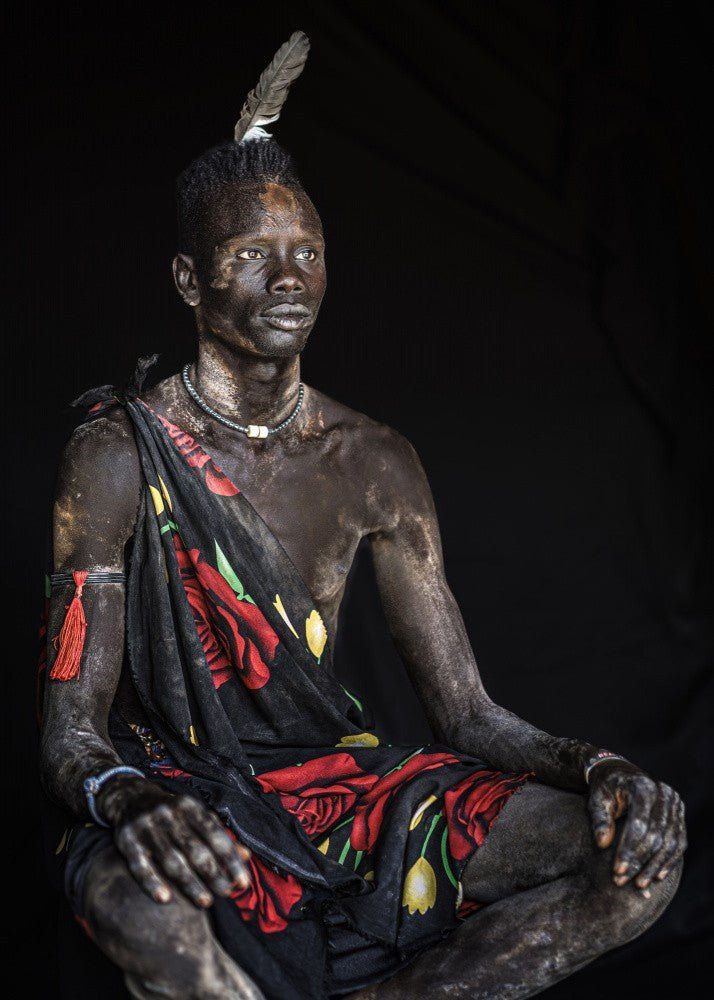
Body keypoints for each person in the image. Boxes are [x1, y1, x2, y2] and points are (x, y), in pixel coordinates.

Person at [38, 31, 686, 1000]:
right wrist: (125, 797)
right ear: (189, 280)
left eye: (306, 251)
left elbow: (466, 712)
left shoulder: (375, 460)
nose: (288, 276)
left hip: (340, 790)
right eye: (252, 254)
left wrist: (599, 767)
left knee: (632, 862)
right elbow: (70, 730)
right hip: (180, 791)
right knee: (142, 913)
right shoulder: (119, 453)